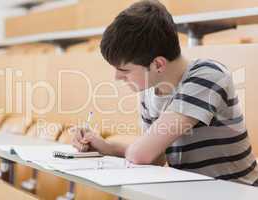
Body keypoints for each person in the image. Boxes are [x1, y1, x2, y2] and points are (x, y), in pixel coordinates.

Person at [71, 0, 258, 186]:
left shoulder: (208, 76)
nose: (117, 77)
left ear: (158, 64)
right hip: (196, 191)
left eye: (124, 70)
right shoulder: (150, 89)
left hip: (238, 191)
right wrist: (105, 146)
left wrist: (123, 149)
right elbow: (155, 157)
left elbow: (141, 154)